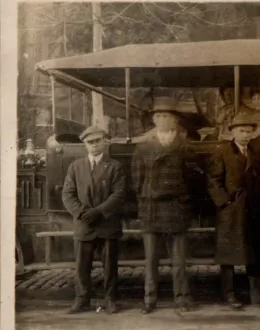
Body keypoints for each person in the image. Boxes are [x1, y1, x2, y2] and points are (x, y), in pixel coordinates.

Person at [131, 97, 198, 314]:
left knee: (179, 260)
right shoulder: (143, 148)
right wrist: (147, 199)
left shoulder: (185, 147)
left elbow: (191, 180)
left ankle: (182, 298)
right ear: (153, 119)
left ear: (175, 120)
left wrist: (182, 198)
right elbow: (137, 180)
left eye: (166, 116)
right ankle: (149, 299)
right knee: (151, 260)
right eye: (158, 116)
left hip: (176, 207)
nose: (161, 120)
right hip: (152, 208)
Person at [207, 113, 260, 309]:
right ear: (232, 132)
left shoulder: (257, 151)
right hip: (230, 211)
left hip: (252, 209)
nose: (245, 135)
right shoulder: (222, 152)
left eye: (248, 131)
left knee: (255, 253)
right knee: (228, 255)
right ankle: (229, 295)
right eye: (241, 131)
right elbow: (213, 181)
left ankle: (259, 295)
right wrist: (225, 202)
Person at [62, 126, 126, 314]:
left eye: (98, 141)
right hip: (84, 225)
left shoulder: (115, 167)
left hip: (107, 224)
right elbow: (68, 195)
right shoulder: (75, 166)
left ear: (104, 142)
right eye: (90, 142)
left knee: (110, 266)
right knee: (82, 266)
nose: (95, 146)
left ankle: (110, 300)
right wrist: (82, 213)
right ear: (85, 145)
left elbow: (119, 194)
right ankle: (82, 300)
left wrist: (99, 211)